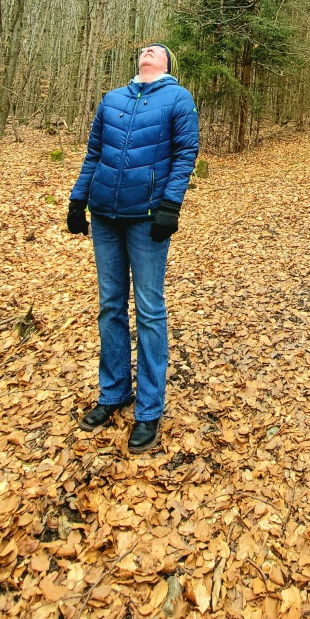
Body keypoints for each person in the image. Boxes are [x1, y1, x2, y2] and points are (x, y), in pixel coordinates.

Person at [66, 42, 199, 453]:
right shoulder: (112, 99)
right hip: (104, 214)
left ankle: (149, 409)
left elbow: (185, 153)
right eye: (143, 48)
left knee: (149, 309)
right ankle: (113, 394)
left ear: (167, 64)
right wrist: (77, 198)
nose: (147, 51)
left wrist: (170, 205)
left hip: (146, 218)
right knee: (110, 305)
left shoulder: (178, 98)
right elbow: (94, 153)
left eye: (156, 50)